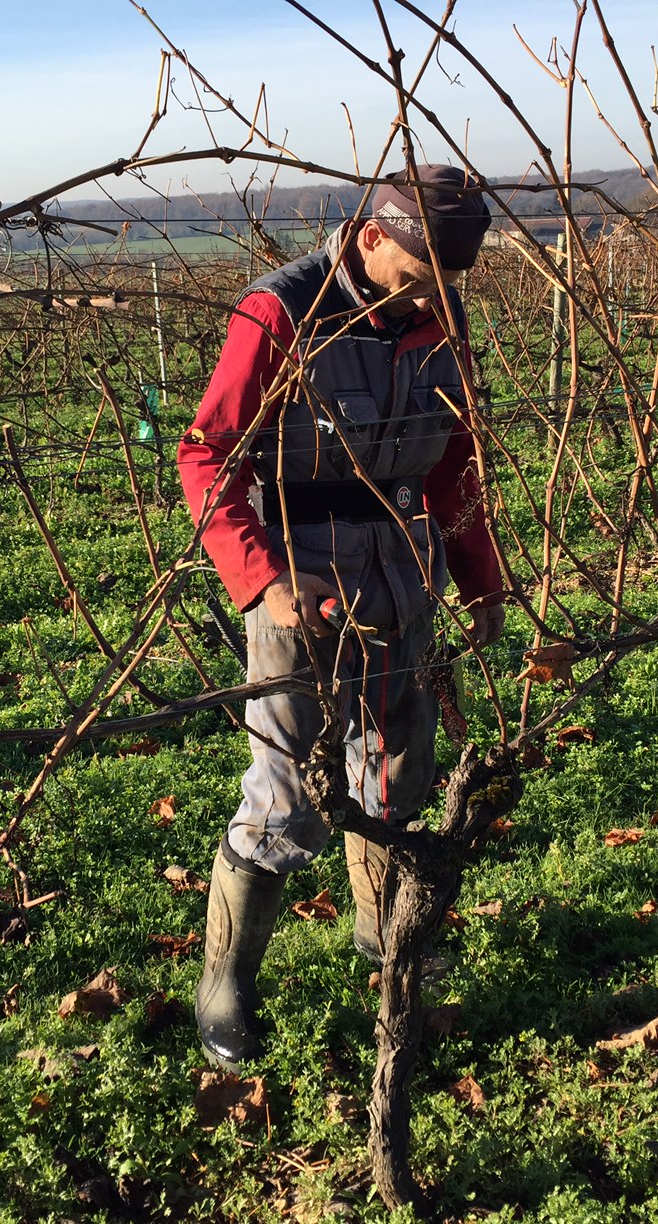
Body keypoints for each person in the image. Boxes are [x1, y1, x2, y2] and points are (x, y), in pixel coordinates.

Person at [177, 164, 505, 1070]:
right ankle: (226, 981)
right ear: (371, 238)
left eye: (442, 289)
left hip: (404, 584)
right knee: (287, 794)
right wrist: (262, 582)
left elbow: (453, 472)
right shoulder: (278, 314)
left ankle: (383, 934)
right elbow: (207, 460)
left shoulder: (437, 321)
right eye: (412, 281)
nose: (425, 303)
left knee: (400, 773)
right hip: (302, 591)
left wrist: (482, 582)